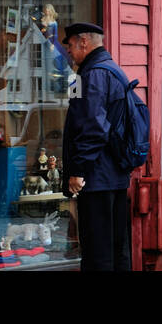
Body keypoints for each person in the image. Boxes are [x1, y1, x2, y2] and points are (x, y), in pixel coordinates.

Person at [61, 22, 134, 271]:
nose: (68, 51)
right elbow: (75, 111)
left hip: (97, 176)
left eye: (70, 45)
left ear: (84, 42)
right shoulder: (108, 69)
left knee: (97, 253)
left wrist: (78, 170)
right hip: (114, 175)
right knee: (117, 250)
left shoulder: (93, 74)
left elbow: (91, 127)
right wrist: (74, 75)